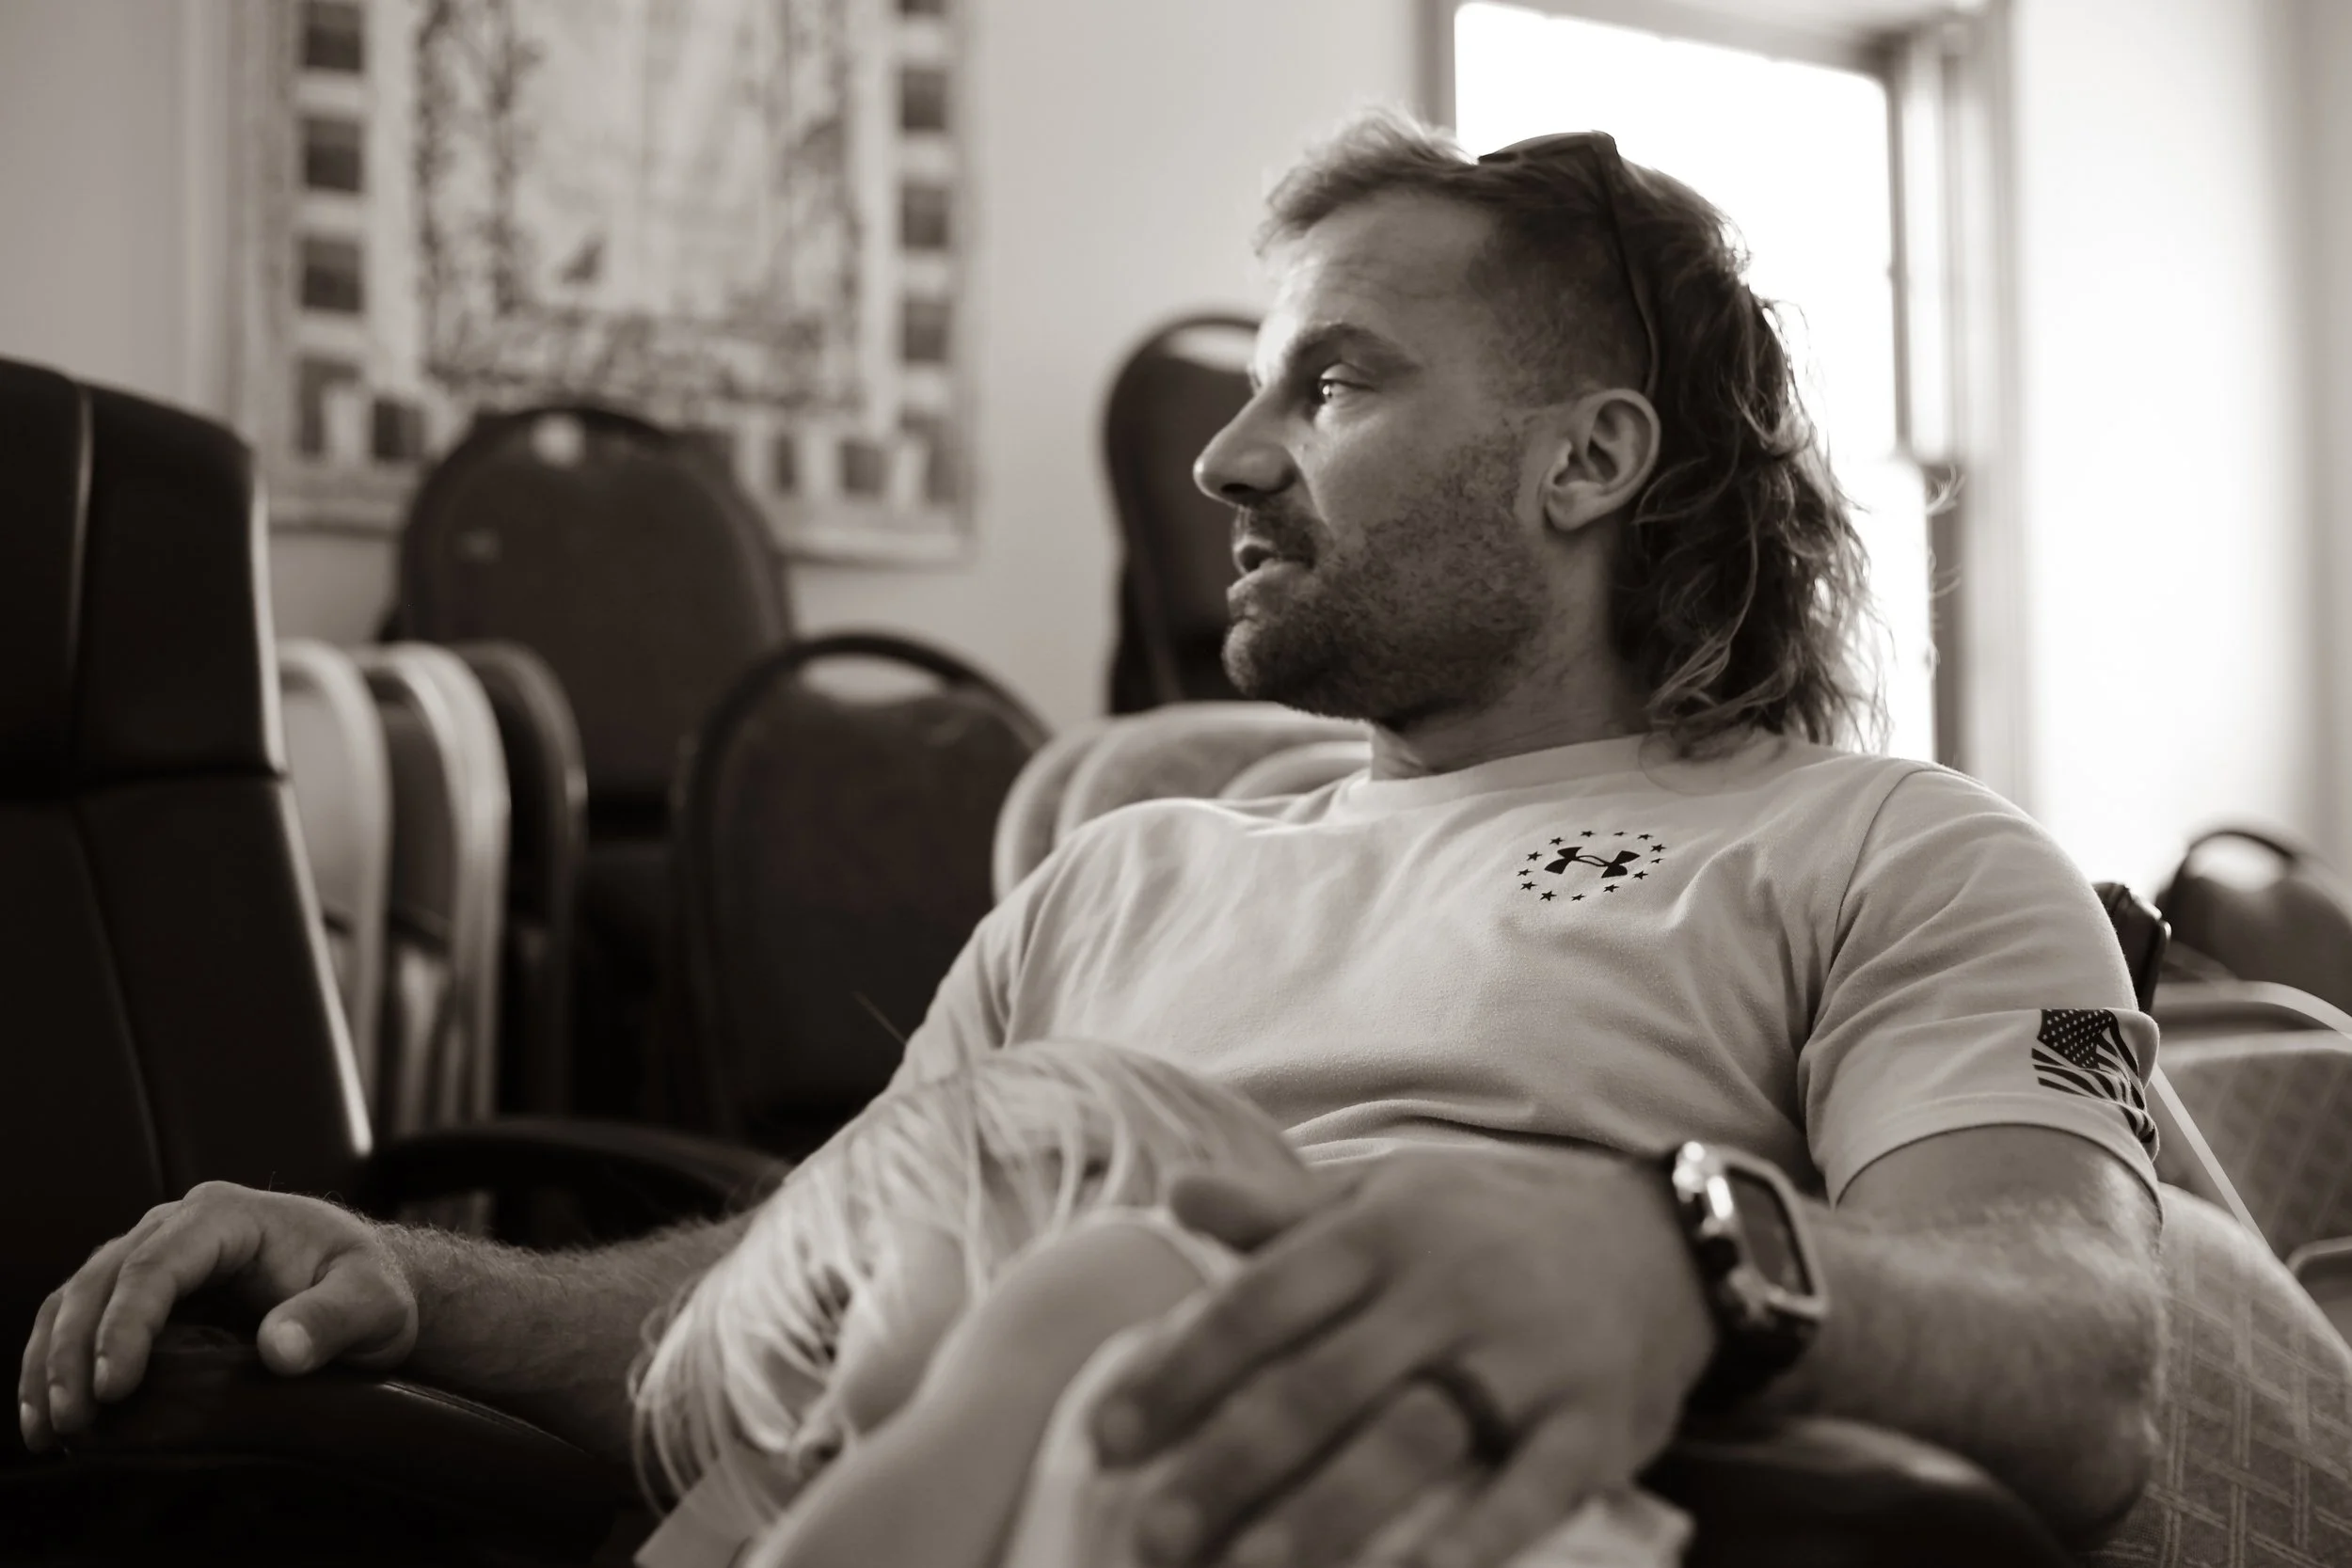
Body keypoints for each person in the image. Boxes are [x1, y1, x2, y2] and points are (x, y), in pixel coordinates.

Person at [19, 111, 2163, 1568]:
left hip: (1451, 1490)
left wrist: (1678, 1255)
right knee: (1038, 1226)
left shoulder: (1895, 851)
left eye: (1332, 385)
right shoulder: (1125, 873)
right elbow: (796, 1310)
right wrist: (415, 1283)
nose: (1227, 458)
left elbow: (2078, 1351)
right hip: (969, 1456)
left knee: (1093, 1232)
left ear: (1586, 463)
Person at [627, 1038, 1684, 1568]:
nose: (816, 1434)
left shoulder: (1127, 1276)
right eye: (818, 1460)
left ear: (1067, 1165)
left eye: (828, 1323)